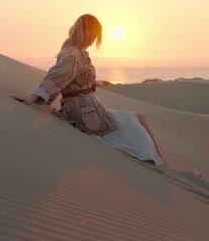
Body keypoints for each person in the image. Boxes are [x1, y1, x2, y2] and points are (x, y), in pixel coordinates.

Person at [13, 14, 163, 165]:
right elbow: (55, 77)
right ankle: (157, 160)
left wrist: (98, 83)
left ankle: (160, 159)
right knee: (133, 127)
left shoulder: (79, 53)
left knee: (139, 118)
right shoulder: (72, 54)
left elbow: (77, 79)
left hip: (91, 107)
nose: (95, 39)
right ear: (86, 32)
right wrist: (33, 97)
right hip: (82, 110)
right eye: (95, 34)